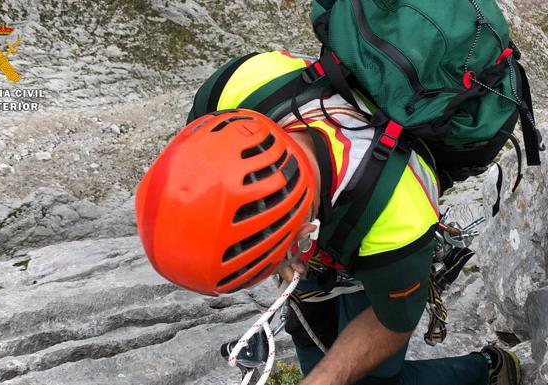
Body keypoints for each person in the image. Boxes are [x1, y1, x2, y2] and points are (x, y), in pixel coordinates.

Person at [135, 51, 521, 385]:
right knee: (306, 331)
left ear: (303, 237)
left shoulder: (397, 217)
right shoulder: (237, 87)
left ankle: (488, 368)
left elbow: (393, 321)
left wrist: (327, 378)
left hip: (372, 239)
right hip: (324, 226)